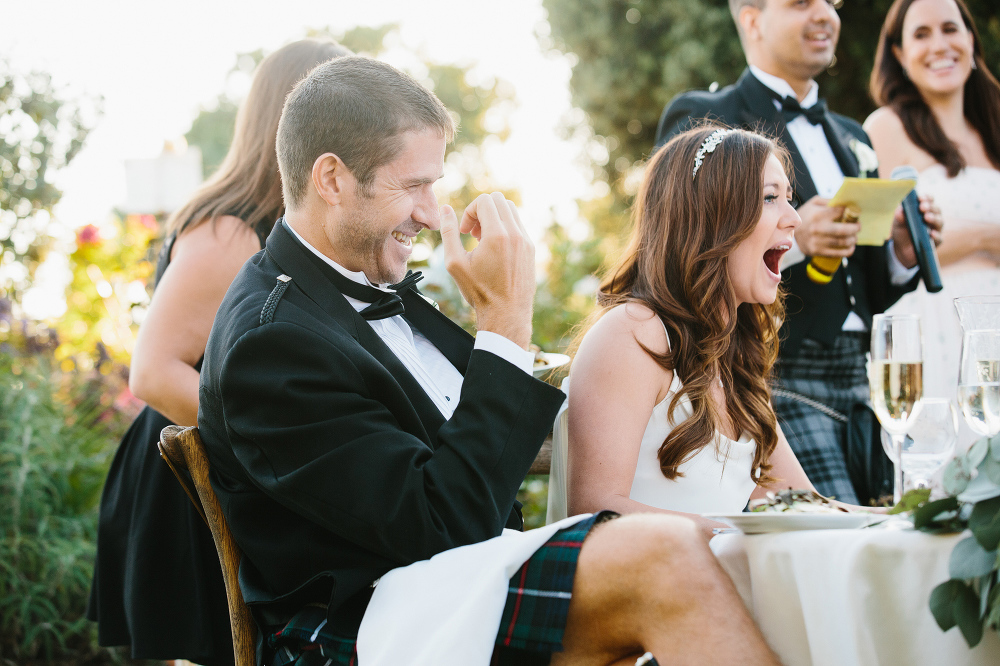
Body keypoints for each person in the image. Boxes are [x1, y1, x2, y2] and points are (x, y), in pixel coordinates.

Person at [198, 55, 781, 666]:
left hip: (455, 582)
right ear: (332, 180)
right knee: (662, 554)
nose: (430, 212)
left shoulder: (363, 291)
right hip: (370, 625)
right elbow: (441, 527)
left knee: (707, 551)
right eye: (412, 186)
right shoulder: (272, 343)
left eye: (435, 185)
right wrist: (504, 326)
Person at [88, 39, 349, 665]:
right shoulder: (230, 228)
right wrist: (268, 451)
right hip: (187, 474)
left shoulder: (289, 227)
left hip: (226, 468)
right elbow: (153, 371)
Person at [654, 0, 942, 504]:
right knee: (833, 544)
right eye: (800, 3)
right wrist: (798, 242)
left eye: (829, 2)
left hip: (867, 376)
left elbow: (867, 285)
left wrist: (900, 251)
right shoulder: (707, 117)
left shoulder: (854, 137)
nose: (825, 15)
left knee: (904, 526)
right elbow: (683, 247)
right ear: (751, 19)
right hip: (771, 369)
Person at [567, 126, 823, 535]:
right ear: (712, 215)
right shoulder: (634, 333)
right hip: (637, 586)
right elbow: (595, 510)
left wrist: (901, 520)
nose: (795, 219)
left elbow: (800, 508)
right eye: (770, 198)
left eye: (788, 199)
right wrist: (733, 537)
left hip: (716, 581)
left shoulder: (734, 354)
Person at [864, 0, 1000, 419]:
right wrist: (986, 237)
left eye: (949, 28)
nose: (939, 44)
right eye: (921, 35)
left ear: (971, 40)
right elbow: (885, 259)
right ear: (901, 56)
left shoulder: (995, 126)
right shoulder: (885, 129)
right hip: (937, 332)